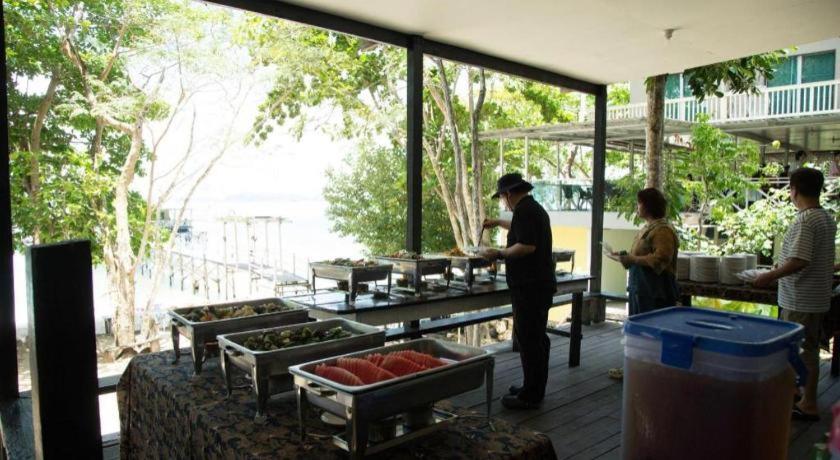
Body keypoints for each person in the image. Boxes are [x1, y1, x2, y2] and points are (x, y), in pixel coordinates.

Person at [755, 167, 837, 421]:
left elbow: (800, 260)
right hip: (816, 296)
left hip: (801, 297)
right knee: (803, 348)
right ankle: (796, 393)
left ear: (794, 190)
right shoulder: (826, 218)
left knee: (803, 350)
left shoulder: (805, 220)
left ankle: (808, 403)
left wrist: (769, 276)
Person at [481, 172, 556, 410]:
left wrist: (499, 253)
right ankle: (531, 386)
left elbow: (526, 246)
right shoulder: (532, 209)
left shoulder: (525, 211)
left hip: (530, 286)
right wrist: (497, 222)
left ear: (508, 194)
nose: (504, 203)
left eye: (503, 198)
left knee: (530, 340)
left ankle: (530, 396)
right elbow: (519, 228)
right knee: (535, 338)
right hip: (538, 285)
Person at [606, 188, 680, 316]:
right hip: (640, 290)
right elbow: (638, 257)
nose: (637, 207)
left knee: (650, 326)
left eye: (639, 203)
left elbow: (660, 258)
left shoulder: (663, 230)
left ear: (648, 206)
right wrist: (622, 256)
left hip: (656, 293)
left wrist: (633, 259)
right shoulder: (647, 228)